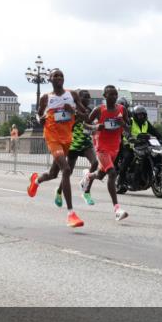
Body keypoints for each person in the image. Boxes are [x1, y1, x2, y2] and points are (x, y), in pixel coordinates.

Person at [27, 69, 89, 227]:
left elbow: (85, 115)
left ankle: (36, 180)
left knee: (54, 173)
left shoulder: (72, 95)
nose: (59, 77)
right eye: (55, 75)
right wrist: (40, 118)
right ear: (49, 79)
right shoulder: (46, 98)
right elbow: (38, 114)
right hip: (52, 136)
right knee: (66, 170)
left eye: (61, 75)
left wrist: (73, 111)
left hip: (67, 137)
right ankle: (71, 214)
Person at [84, 85, 129, 221]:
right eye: (111, 94)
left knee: (101, 174)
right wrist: (95, 126)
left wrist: (123, 124)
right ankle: (117, 209)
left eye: (115, 94)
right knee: (112, 173)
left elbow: (128, 129)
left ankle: (88, 176)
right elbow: (85, 124)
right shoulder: (99, 110)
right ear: (105, 96)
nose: (114, 97)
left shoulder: (122, 110)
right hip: (101, 147)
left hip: (115, 147)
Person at [54, 89, 98, 207]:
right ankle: (58, 192)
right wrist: (76, 120)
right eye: (85, 97)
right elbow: (66, 126)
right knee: (69, 171)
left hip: (86, 143)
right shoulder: (72, 110)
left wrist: (94, 127)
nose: (88, 100)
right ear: (79, 99)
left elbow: (91, 127)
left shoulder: (89, 111)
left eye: (89, 97)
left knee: (95, 163)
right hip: (74, 144)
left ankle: (86, 191)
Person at [115, 104, 162, 192]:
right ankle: (120, 180)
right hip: (129, 145)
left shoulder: (146, 123)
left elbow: (155, 131)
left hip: (142, 146)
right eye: (139, 115)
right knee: (128, 158)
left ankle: (147, 174)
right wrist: (129, 137)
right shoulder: (130, 121)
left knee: (152, 155)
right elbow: (125, 131)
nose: (141, 116)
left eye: (142, 115)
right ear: (135, 115)